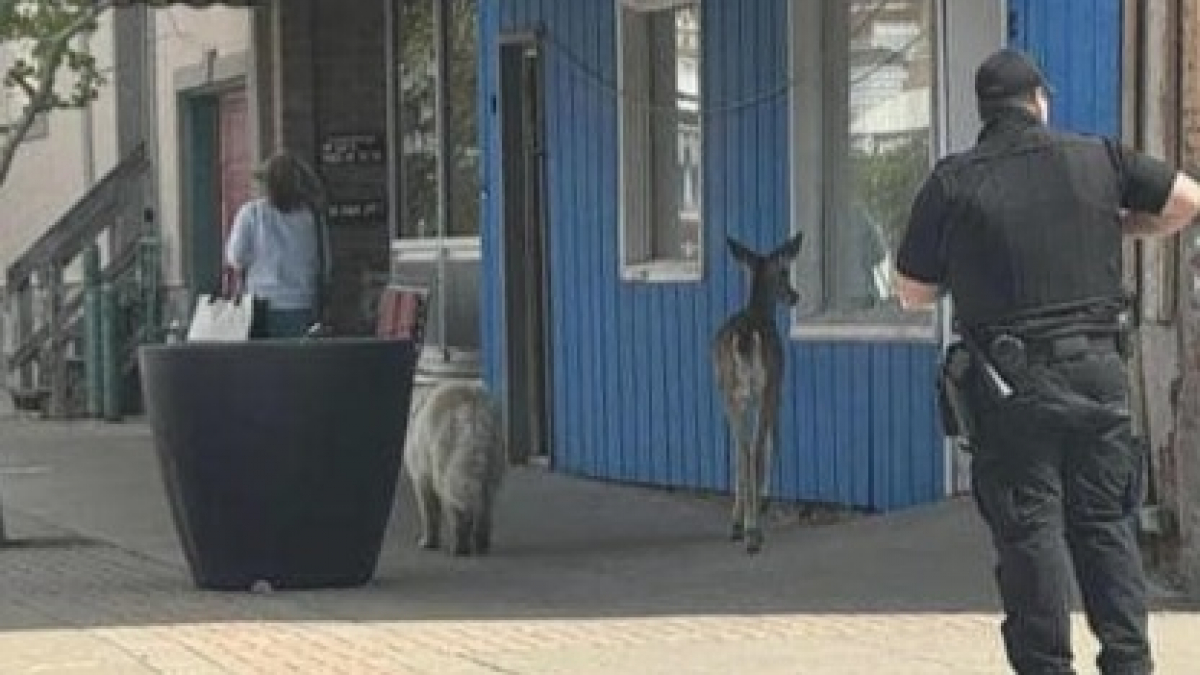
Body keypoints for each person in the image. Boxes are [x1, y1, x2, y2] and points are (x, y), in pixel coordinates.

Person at [894, 48, 1200, 675]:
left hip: (1011, 389)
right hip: (1098, 376)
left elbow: (911, 289)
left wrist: (969, 263)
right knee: (1105, 527)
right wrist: (1118, 228)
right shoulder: (1096, 157)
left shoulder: (954, 181)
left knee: (1030, 533)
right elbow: (1187, 200)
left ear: (984, 111)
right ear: (1038, 101)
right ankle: (1129, 661)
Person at [226, 152, 330, 339]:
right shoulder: (312, 217)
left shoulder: (252, 213)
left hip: (260, 304)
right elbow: (324, 264)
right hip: (302, 304)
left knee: (262, 364)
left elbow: (236, 257)